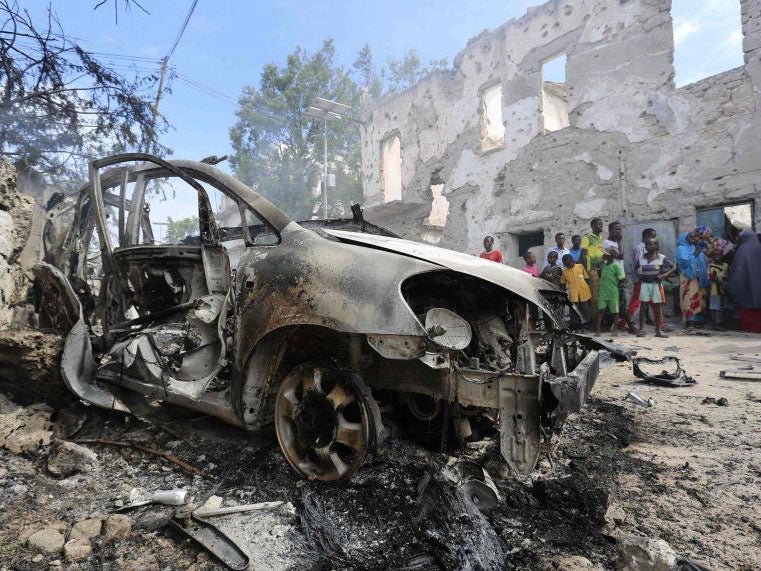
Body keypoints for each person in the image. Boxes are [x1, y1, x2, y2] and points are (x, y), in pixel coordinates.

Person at [636, 238, 676, 338]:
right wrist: (639, 275)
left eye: (651, 244)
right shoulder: (642, 257)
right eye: (647, 244)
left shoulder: (661, 257)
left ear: (657, 246)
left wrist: (664, 275)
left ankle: (658, 330)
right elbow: (635, 267)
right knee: (643, 307)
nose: (648, 246)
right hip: (645, 284)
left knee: (657, 307)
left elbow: (674, 267)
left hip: (656, 284)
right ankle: (641, 330)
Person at [603, 221, 637, 334]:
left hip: (617, 275)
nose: (618, 231)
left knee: (618, 302)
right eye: (616, 229)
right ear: (610, 230)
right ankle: (631, 327)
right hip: (613, 277)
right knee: (622, 301)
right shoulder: (608, 243)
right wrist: (620, 241)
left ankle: (608, 325)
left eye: (620, 229)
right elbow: (620, 255)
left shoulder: (615, 243)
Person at [724, 229, 761, 333]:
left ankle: (750, 328)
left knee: (747, 307)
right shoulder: (759, 248)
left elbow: (738, 272)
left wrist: (730, 284)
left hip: (747, 287)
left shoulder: (742, 250)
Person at [676, 229, 709, 330]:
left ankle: (698, 321)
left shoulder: (694, 247)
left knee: (699, 298)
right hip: (688, 278)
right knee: (689, 298)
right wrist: (696, 253)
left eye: (692, 236)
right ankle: (689, 322)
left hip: (698, 278)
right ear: (684, 239)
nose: (692, 238)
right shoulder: (681, 248)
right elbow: (684, 262)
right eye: (690, 237)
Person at [594, 246, 625, 336]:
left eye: (606, 254)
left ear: (612, 256)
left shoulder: (617, 266)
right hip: (603, 292)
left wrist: (619, 289)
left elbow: (622, 279)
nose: (604, 255)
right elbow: (600, 276)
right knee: (600, 310)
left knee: (615, 312)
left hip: (613, 292)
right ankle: (598, 331)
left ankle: (615, 330)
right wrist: (599, 270)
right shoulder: (604, 265)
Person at [628, 228, 657, 323]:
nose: (654, 239)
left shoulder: (648, 248)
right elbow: (639, 265)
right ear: (647, 236)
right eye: (653, 237)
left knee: (652, 301)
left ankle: (656, 322)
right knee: (637, 301)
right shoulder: (639, 248)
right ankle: (624, 322)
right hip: (642, 279)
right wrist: (644, 277)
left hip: (649, 278)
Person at [580, 218, 605, 320]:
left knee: (601, 295)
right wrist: (586, 272)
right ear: (593, 226)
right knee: (595, 296)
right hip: (592, 270)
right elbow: (583, 255)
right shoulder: (587, 238)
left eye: (602, 224)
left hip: (602, 269)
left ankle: (601, 319)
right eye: (599, 224)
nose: (601, 226)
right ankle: (594, 320)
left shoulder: (601, 238)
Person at [561, 253, 592, 326]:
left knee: (586, 309)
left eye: (569, 263)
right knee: (574, 310)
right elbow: (562, 283)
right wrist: (563, 294)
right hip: (573, 293)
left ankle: (587, 324)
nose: (568, 266)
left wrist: (590, 289)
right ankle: (575, 325)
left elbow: (586, 278)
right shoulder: (564, 272)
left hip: (584, 292)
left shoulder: (580, 266)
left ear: (572, 261)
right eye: (566, 265)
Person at [707, 245, 729, 330]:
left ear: (722, 255)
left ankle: (723, 323)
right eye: (714, 255)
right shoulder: (710, 266)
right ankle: (715, 325)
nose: (717, 257)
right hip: (714, 290)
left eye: (719, 255)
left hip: (724, 289)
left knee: (723, 306)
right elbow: (710, 278)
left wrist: (722, 280)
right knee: (714, 307)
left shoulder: (725, 265)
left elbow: (727, 276)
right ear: (712, 256)